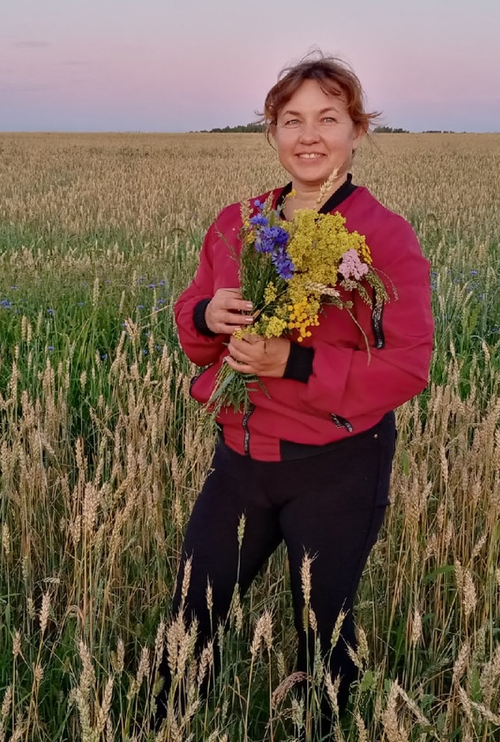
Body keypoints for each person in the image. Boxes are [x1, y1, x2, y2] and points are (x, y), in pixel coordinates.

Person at [156, 54, 435, 725]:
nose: (309, 136)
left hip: (337, 467)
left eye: (328, 119)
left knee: (324, 637)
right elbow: (193, 325)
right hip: (242, 461)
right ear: (272, 133)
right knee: (188, 622)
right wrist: (205, 316)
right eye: (292, 120)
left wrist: (295, 364)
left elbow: (409, 365)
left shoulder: (384, 237)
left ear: (357, 131)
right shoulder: (239, 221)